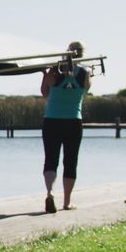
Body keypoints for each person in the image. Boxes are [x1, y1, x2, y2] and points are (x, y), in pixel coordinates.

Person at [41, 41, 91, 213]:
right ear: (83, 55)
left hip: (52, 121)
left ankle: (50, 193)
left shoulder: (53, 72)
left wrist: (46, 75)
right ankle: (67, 202)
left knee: (51, 159)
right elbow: (85, 91)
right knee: (70, 161)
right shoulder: (85, 74)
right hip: (73, 121)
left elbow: (44, 93)